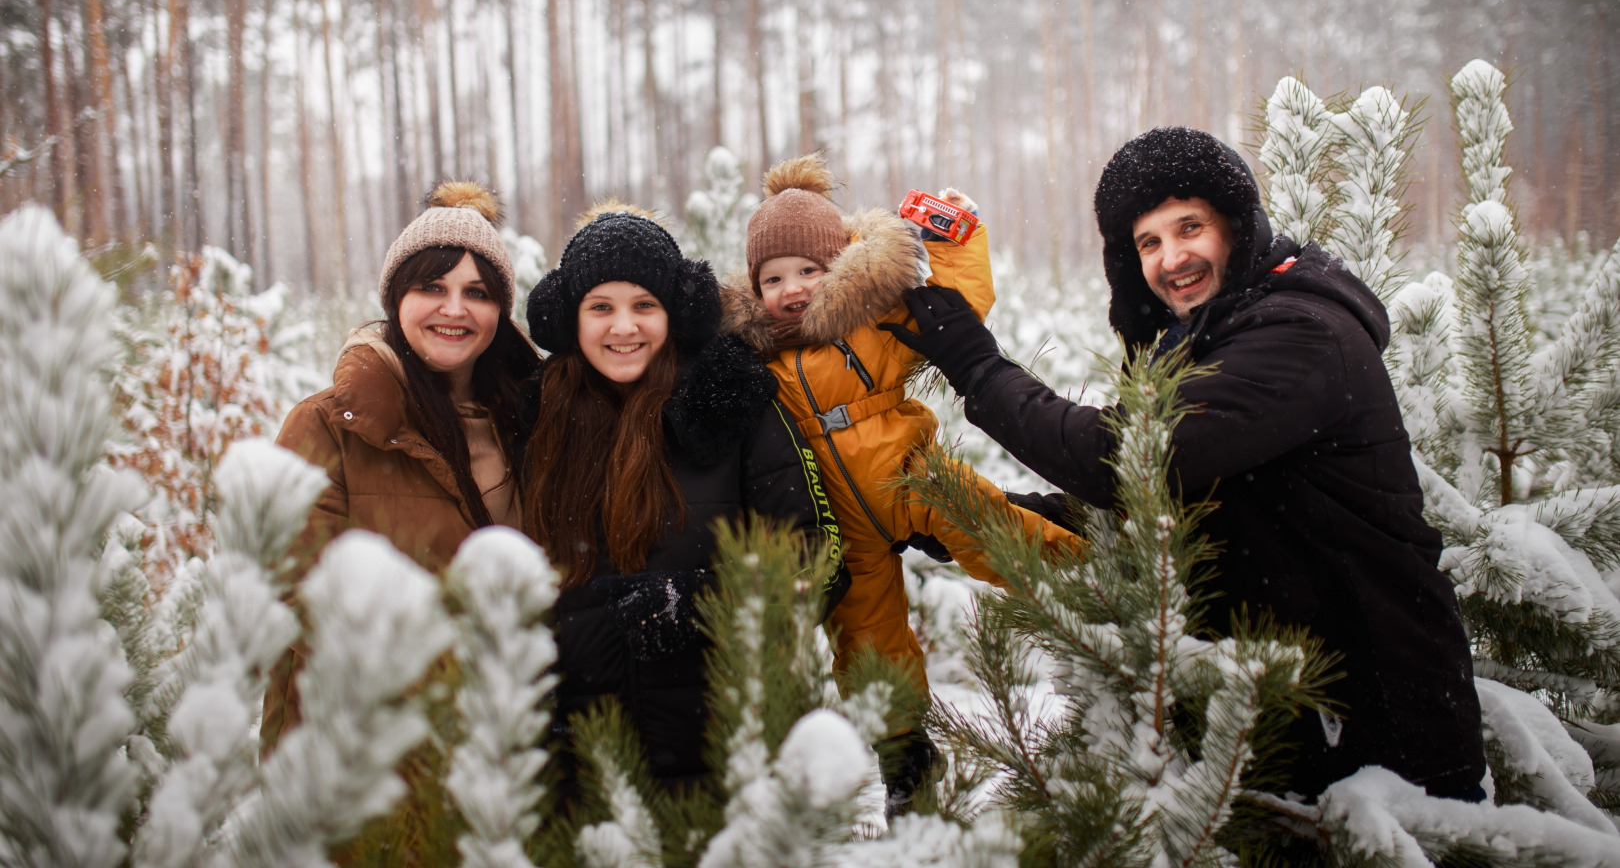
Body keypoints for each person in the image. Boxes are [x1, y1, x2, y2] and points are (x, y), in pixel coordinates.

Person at [884, 127, 1487, 800]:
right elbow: (1157, 512)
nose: (1173, 258)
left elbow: (1126, 464)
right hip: (1272, 734)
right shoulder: (1206, 340)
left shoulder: (1301, 336)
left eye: (1189, 227)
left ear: (1237, 224)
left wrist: (977, 366)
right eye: (1149, 242)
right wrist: (981, 518)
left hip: (1380, 743)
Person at [720, 156, 1082, 812]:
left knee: (995, 532)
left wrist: (957, 238)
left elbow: (960, 305)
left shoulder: (869, 321)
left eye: (809, 270)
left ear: (839, 270)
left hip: (913, 477)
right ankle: (903, 758)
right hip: (840, 524)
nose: (793, 289)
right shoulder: (755, 360)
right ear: (754, 287)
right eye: (773, 278)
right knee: (863, 636)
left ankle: (1091, 565)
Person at [522, 203, 845, 789]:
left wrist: (700, 603)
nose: (624, 328)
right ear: (567, 317)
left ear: (678, 312)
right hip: (581, 775)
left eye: (645, 305)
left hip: (724, 762)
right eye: (602, 308)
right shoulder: (535, 417)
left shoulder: (733, 404)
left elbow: (816, 561)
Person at [263, 182, 541, 753]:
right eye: (432, 287)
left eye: (478, 293)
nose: (455, 309)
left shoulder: (532, 425)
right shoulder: (329, 428)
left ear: (500, 311)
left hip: (499, 761)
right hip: (358, 764)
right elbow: (296, 598)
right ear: (395, 299)